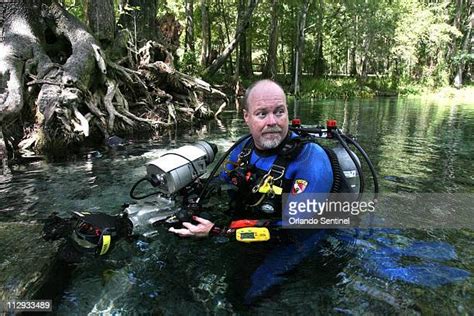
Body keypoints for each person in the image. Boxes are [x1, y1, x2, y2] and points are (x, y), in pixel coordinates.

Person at [168, 79, 334, 238]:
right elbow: (222, 181)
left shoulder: (310, 159)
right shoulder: (243, 148)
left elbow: (296, 228)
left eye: (279, 112)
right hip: (248, 225)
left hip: (295, 240)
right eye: (262, 114)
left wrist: (218, 231)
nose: (272, 121)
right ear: (246, 117)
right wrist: (191, 193)